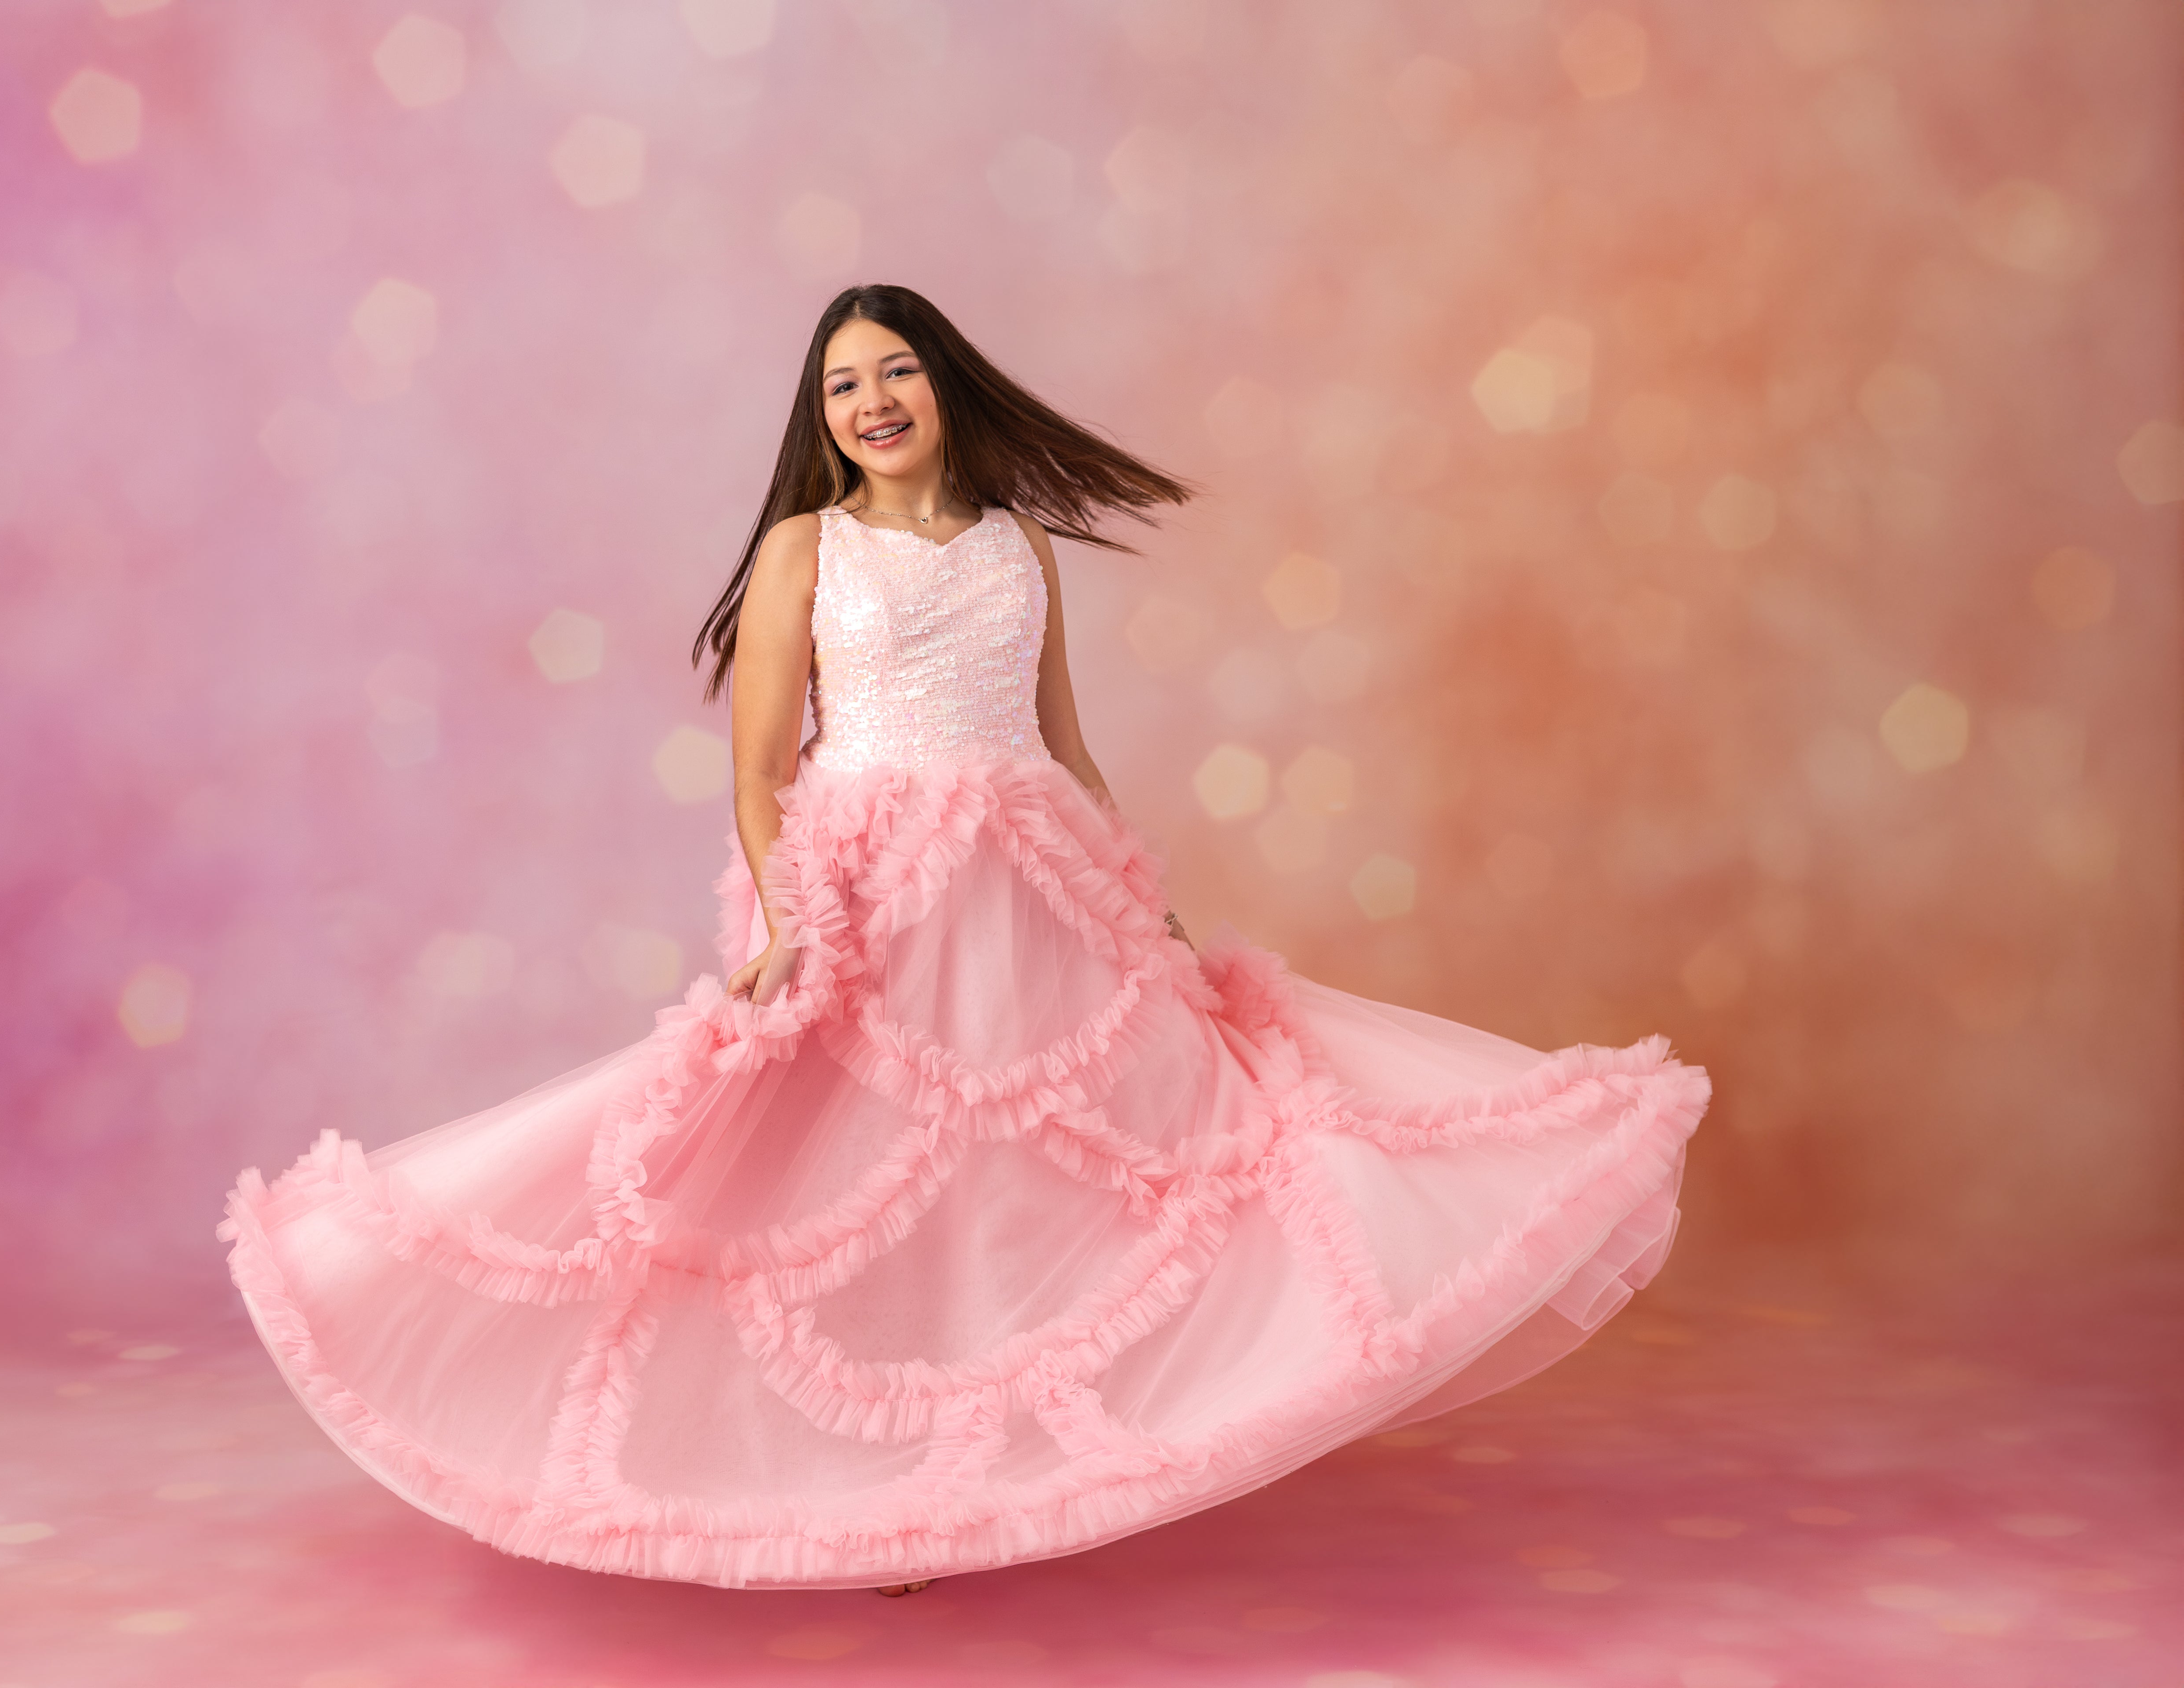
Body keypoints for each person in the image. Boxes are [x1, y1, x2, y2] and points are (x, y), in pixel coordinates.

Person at [220, 284, 1710, 1598]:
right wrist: (793, 910)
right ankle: (885, 1492)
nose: (870, 403)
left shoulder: (1019, 549)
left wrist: (1143, 906)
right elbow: (756, 770)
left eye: (894, 373)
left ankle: (1037, 1465)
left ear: (947, 380)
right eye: (841, 386)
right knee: (859, 1175)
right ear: (822, 418)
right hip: (878, 894)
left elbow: (1066, 747)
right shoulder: (810, 549)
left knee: (1084, 1168)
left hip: (1036, 890)